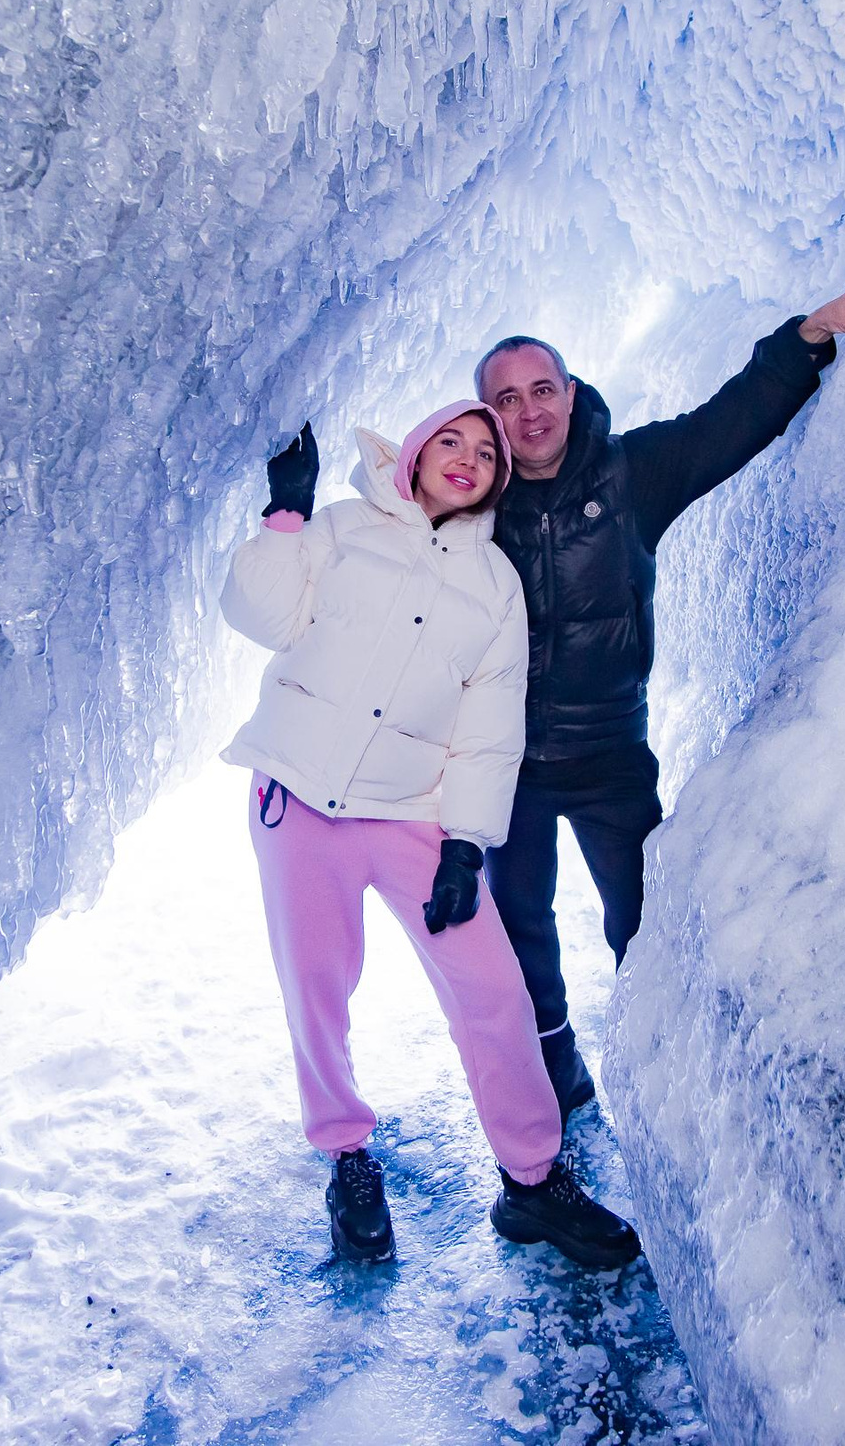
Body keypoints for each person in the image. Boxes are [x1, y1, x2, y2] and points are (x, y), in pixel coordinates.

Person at [474, 282, 845, 1112]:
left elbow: (731, 422)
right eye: (507, 398)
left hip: (613, 755)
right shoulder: (474, 506)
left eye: (543, 389)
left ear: (571, 394)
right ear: (488, 416)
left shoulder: (632, 472)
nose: (530, 411)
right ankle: (556, 1072)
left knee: (640, 923)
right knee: (518, 935)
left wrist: (811, 334)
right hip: (509, 767)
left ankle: (657, 1073)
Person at [219, 401, 644, 1268]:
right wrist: (287, 516)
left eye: (486, 452)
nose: (469, 457)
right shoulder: (343, 528)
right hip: (300, 798)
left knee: (493, 992)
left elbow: (491, 726)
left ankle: (533, 1180)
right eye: (451, 440)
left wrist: (463, 843)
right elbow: (259, 615)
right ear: (412, 456)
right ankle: (346, 1159)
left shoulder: (495, 586)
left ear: (496, 478)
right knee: (318, 990)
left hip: (413, 813)